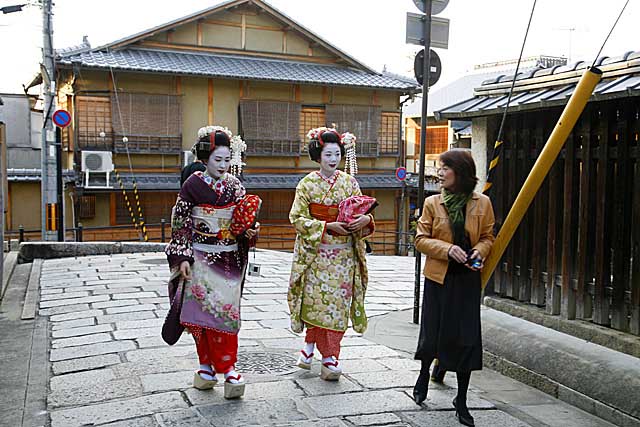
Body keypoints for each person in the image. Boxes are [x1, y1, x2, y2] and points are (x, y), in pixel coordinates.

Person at [166, 125, 261, 399]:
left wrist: (249, 230)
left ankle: (229, 366)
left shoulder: (235, 186)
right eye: (217, 160)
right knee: (201, 315)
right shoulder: (192, 185)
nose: (223, 165)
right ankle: (206, 365)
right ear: (204, 159)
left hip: (229, 258)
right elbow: (181, 223)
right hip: (199, 257)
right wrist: (181, 256)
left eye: (227, 160)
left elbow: (243, 219)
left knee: (226, 315)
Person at [412, 149, 495, 427]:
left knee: (466, 337)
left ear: (459, 171)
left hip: (467, 280)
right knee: (433, 331)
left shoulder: (482, 202)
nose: (440, 172)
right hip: (438, 277)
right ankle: (424, 372)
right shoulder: (432, 203)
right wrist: (448, 249)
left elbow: (487, 236)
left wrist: (479, 252)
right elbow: (421, 239)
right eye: (439, 168)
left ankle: (461, 399)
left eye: (444, 167)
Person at [288, 127, 374, 381]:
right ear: (318, 156)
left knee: (336, 307)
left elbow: (363, 209)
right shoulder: (307, 184)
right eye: (328, 154)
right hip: (317, 254)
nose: (333, 159)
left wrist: (365, 219)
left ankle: (329, 357)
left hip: (343, 255)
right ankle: (312, 346)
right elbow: (297, 218)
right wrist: (326, 225)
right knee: (316, 304)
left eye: (337, 154)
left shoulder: (349, 183)